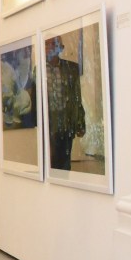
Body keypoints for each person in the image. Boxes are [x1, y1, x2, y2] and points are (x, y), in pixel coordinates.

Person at [44, 36, 85, 171]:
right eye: (47, 44)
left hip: (65, 122)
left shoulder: (71, 69)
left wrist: (80, 122)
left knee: (64, 163)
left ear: (61, 48)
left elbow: (76, 97)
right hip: (47, 123)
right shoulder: (38, 71)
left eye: (54, 44)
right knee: (48, 163)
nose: (50, 47)